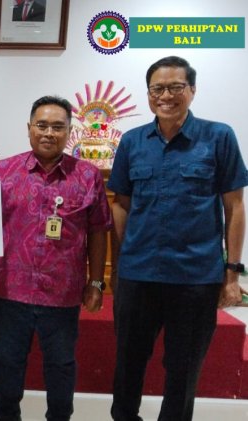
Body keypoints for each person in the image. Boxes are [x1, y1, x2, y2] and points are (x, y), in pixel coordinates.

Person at [108, 56, 248, 421]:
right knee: (128, 363)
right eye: (157, 88)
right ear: (148, 93)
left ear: (192, 90)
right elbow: (121, 205)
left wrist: (232, 274)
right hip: (138, 274)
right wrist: (120, 265)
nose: (166, 96)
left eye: (175, 87)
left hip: (195, 278)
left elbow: (234, 207)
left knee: (183, 369)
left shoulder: (219, 137)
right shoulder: (133, 141)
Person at [0, 96, 112, 421]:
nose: (49, 133)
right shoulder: (2, 171)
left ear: (69, 132)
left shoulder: (88, 176)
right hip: (12, 289)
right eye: (42, 125)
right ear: (29, 128)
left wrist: (95, 282)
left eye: (58, 127)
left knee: (61, 365)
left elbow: (98, 231)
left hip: (63, 292)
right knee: (8, 362)